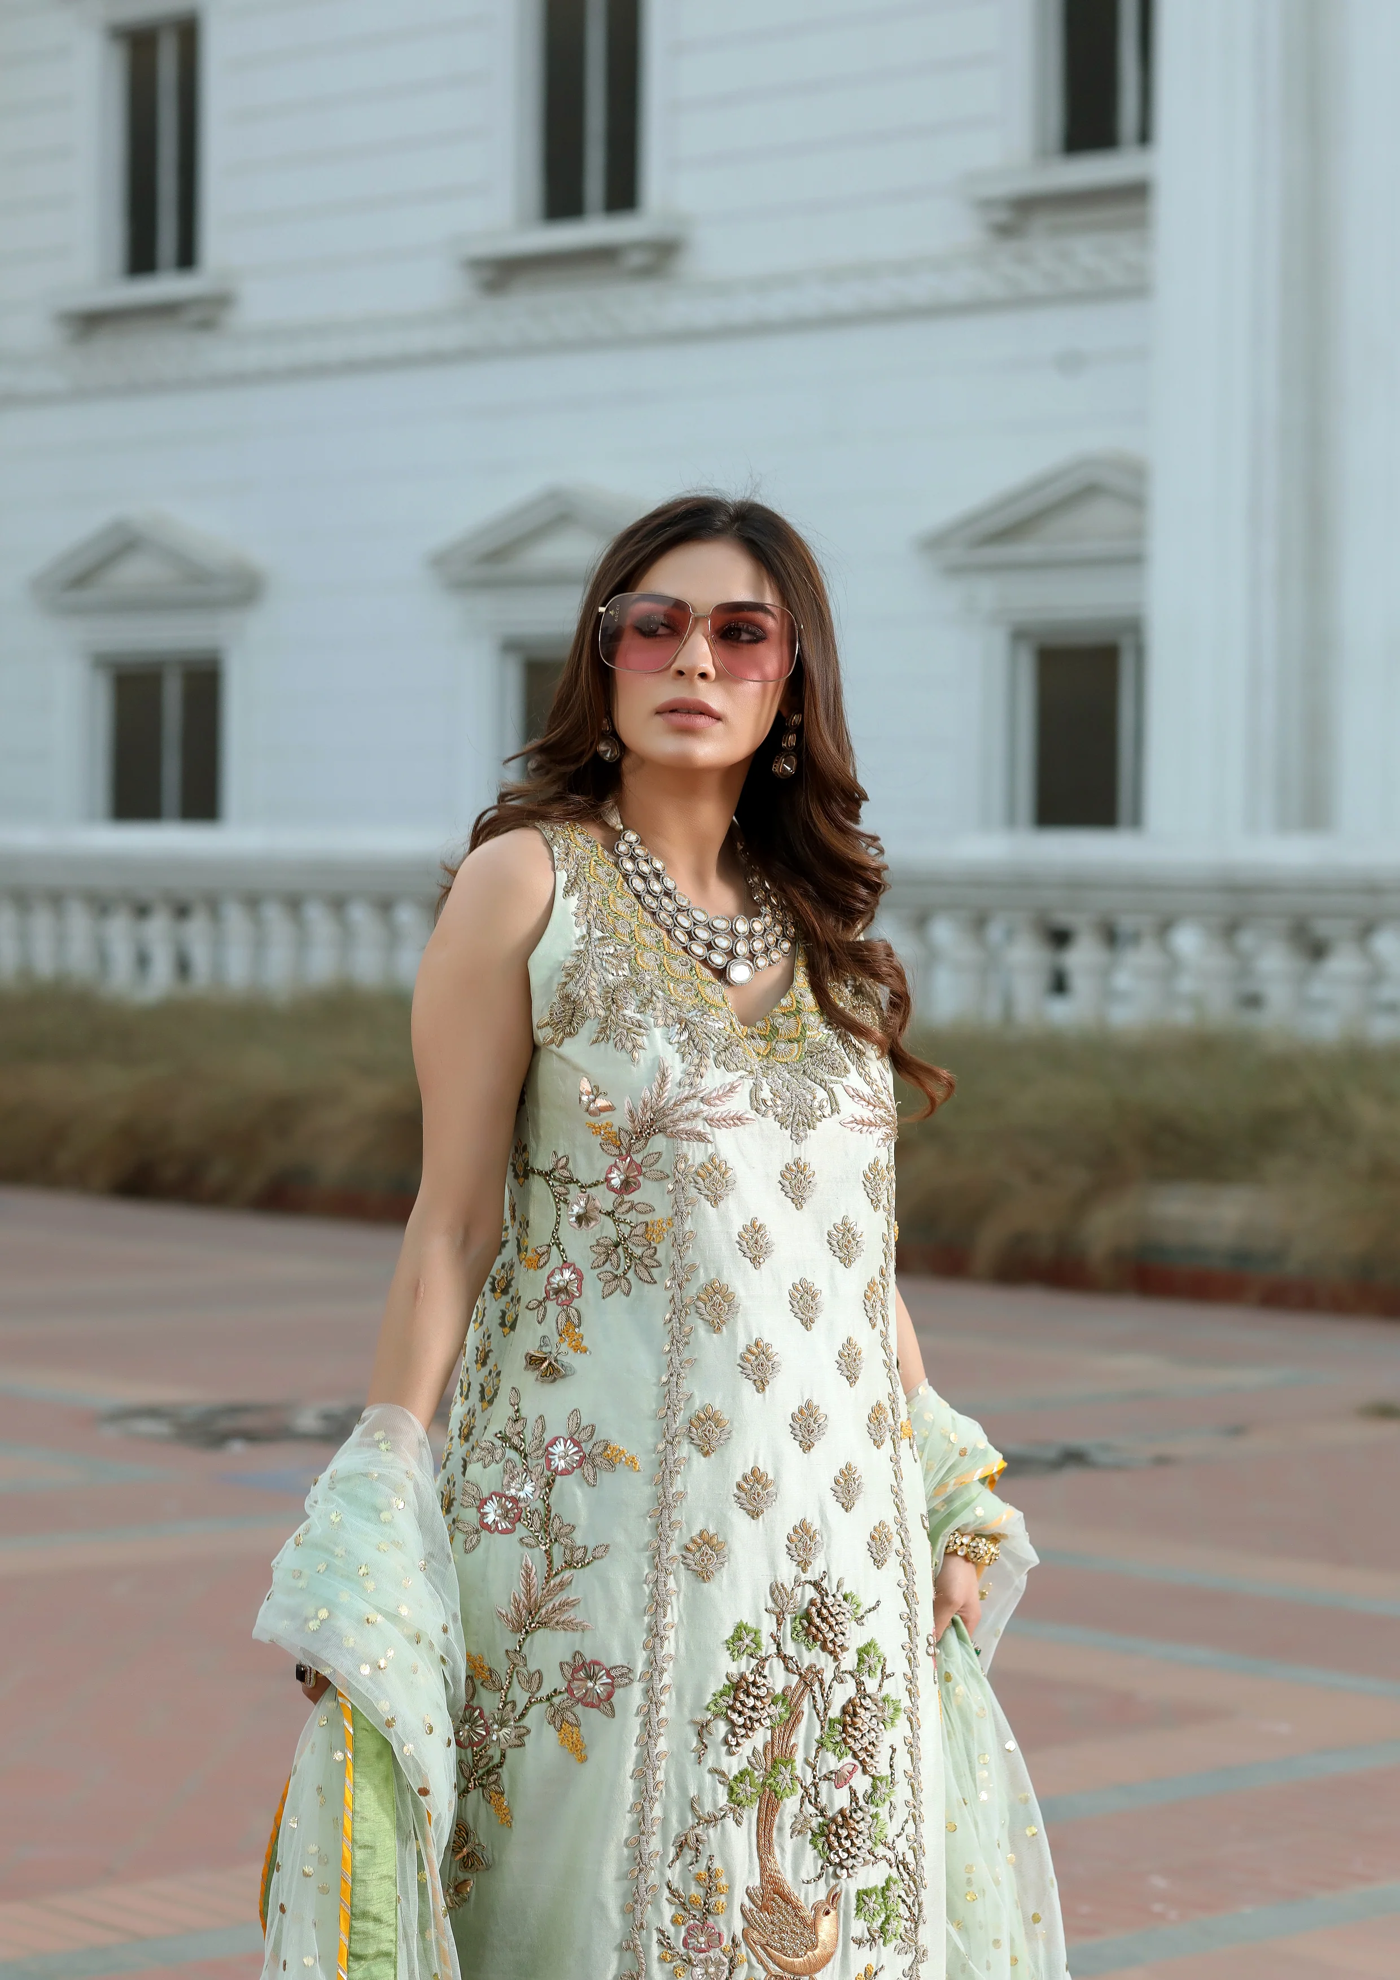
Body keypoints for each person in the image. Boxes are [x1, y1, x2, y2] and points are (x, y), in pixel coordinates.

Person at [254, 496, 1067, 1980]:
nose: (694, 659)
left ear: (790, 682)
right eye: (655, 625)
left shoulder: (833, 943)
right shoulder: (530, 884)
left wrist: (940, 1471)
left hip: (831, 1554)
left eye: (741, 633)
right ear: (606, 659)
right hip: (591, 1550)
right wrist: (379, 1507)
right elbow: (453, 1221)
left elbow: (851, 1263)